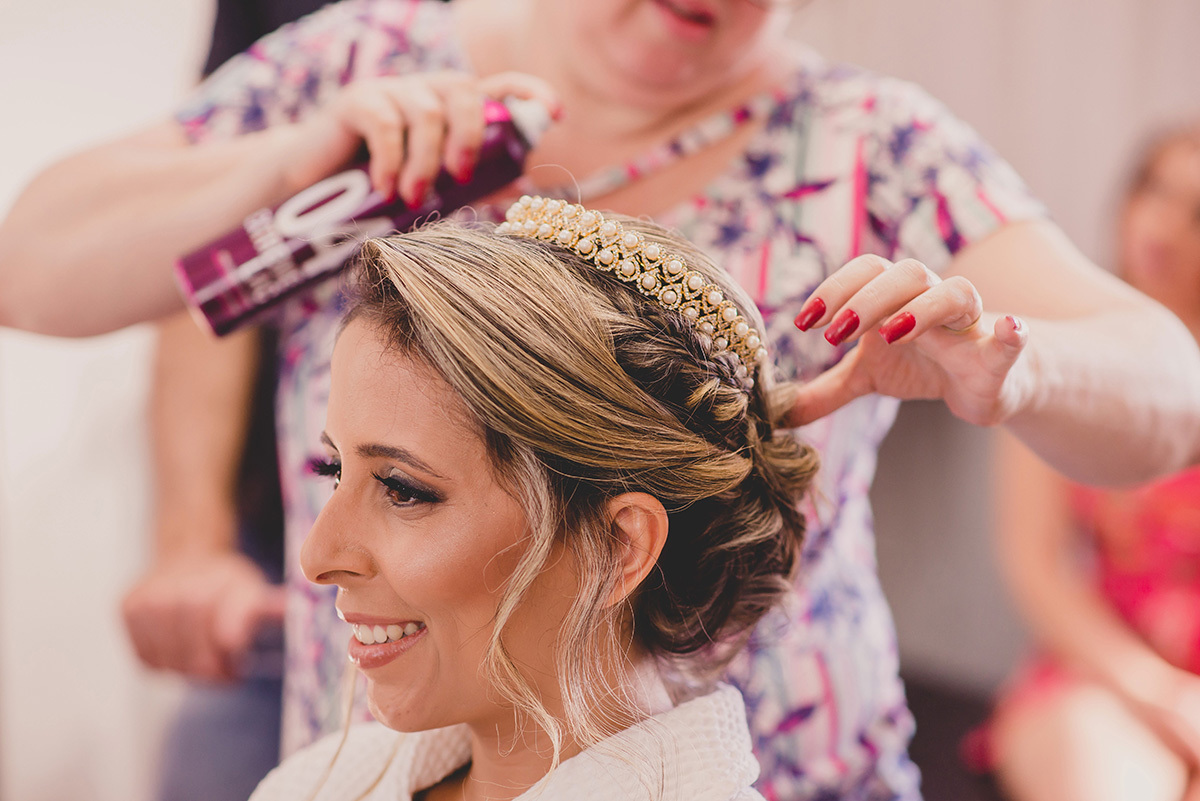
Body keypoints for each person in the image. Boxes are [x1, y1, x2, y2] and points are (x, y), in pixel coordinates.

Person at [2, 1, 1200, 797]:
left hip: (773, 759)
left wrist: (1014, 361)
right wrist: (290, 153)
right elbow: (32, 263)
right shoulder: (366, 64)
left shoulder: (871, 143)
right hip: (401, 733)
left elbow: (1165, 386)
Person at [252, 201, 819, 800]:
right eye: (335, 469)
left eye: (402, 489)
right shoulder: (314, 786)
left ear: (617, 546)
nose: (316, 556)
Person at [974, 123, 1200, 801]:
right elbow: (1034, 563)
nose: (1164, 225)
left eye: (1198, 213)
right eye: (1154, 191)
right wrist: (1156, 690)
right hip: (1106, 666)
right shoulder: (1062, 354)